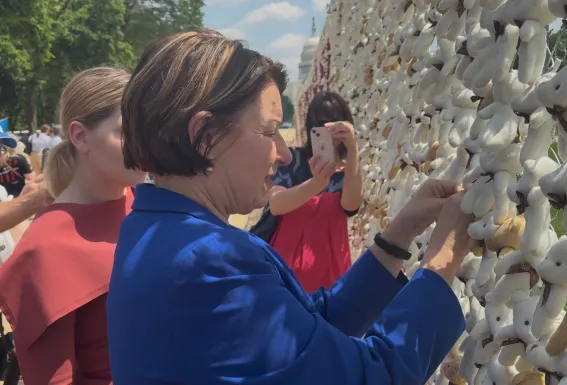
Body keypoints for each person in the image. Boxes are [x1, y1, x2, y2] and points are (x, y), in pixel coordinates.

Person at [108, 29, 474, 385]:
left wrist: (400, 233)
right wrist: (442, 261)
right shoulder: (206, 260)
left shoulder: (156, 230)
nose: (283, 155)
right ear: (206, 138)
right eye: (269, 132)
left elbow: (311, 326)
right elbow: (366, 376)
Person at [0, 67, 147, 385]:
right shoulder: (46, 249)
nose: (145, 145)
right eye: (127, 132)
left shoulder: (148, 206)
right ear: (80, 136)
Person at [250, 91, 362, 292]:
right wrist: (317, 183)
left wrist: (353, 149)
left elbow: (351, 206)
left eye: (335, 122)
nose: (329, 129)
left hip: (332, 269)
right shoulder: (294, 160)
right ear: (311, 126)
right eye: (321, 122)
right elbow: (276, 204)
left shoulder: (348, 172)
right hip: (288, 268)